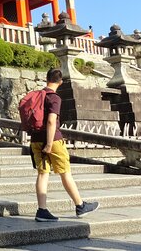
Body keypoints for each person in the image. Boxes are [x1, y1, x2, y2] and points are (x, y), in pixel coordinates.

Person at [31, 68, 99, 222]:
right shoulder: (54, 98)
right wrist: (49, 143)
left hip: (35, 138)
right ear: (60, 82)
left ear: (46, 78)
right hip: (52, 140)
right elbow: (51, 121)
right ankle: (80, 205)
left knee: (42, 173)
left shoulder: (38, 95)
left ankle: (42, 210)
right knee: (65, 172)